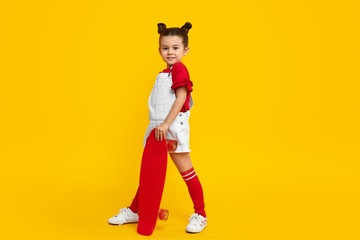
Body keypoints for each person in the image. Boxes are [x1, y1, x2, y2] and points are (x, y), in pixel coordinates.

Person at [108, 22, 207, 233]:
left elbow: (181, 98)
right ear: (159, 49)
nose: (170, 52)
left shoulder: (180, 69)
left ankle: (201, 214)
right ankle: (137, 210)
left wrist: (166, 124)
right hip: (158, 130)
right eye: (165, 48)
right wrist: (158, 126)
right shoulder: (163, 73)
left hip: (170, 127)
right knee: (149, 174)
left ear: (186, 50)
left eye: (175, 48)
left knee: (187, 172)